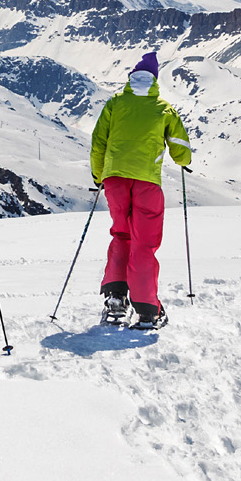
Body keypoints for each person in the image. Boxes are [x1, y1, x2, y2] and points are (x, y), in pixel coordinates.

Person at [90, 51, 192, 329]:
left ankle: (115, 301)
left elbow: (99, 141)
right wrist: (183, 161)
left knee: (121, 234)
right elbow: (181, 148)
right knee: (143, 244)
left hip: (114, 181)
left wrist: (99, 175)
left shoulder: (114, 104)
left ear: (131, 78)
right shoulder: (163, 108)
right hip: (147, 182)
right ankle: (148, 310)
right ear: (155, 80)